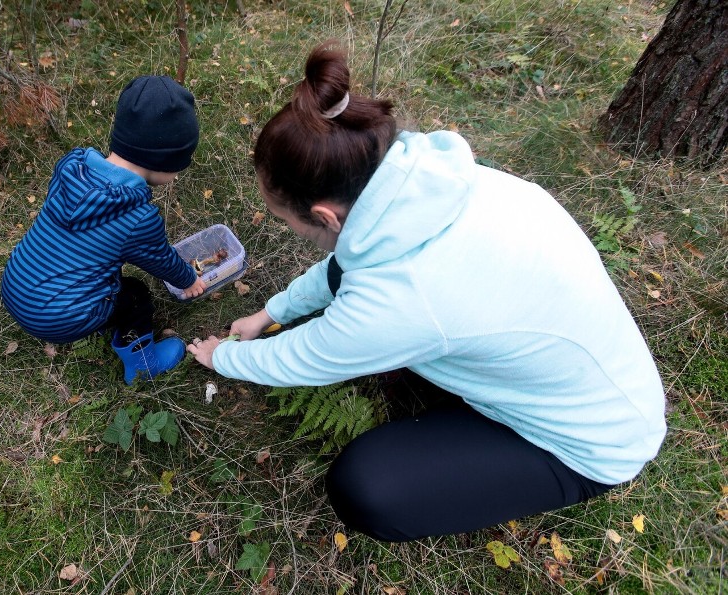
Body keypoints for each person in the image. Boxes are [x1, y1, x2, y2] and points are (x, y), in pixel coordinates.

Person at [186, 42, 667, 542]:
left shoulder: (404, 299)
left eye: (289, 223)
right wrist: (270, 311)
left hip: (590, 444)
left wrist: (223, 357)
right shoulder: (439, 187)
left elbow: (302, 357)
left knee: (368, 487)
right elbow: (347, 265)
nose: (295, 232)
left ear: (326, 216)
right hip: (601, 379)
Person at [1, 75, 206, 384]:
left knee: (89, 260)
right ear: (162, 161)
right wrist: (189, 279)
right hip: (57, 318)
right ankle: (143, 364)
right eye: (179, 166)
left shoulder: (72, 166)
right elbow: (161, 260)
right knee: (135, 295)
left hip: (17, 285)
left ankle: (82, 306)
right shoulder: (135, 216)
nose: (177, 175)